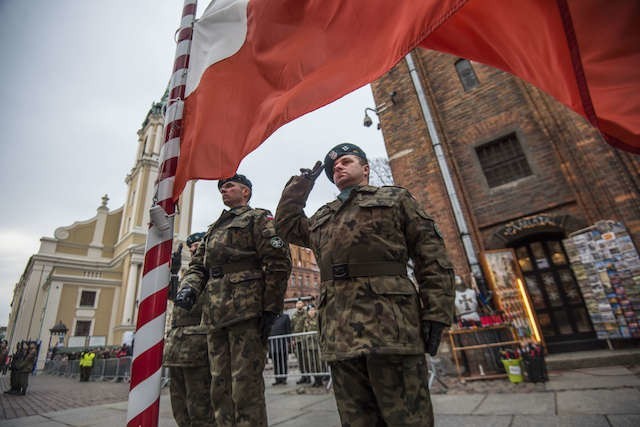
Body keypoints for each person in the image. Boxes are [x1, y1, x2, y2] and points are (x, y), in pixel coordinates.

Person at [275, 143, 455, 427]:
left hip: (390, 326)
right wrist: (302, 185)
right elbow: (285, 226)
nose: (338, 167)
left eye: (346, 161)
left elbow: (431, 254)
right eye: (334, 167)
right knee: (356, 420)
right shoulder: (323, 216)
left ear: (366, 169)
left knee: (408, 417)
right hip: (339, 331)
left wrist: (437, 311)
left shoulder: (395, 199)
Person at [175, 174, 292, 427]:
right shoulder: (213, 229)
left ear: (246, 191)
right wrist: (189, 289)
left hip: (246, 311)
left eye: (229, 186)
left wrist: (270, 307)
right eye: (221, 188)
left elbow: (278, 261)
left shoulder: (258, 218)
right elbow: (197, 267)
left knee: (245, 386)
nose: (223, 191)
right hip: (214, 315)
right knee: (219, 385)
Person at [163, 231, 215, 427]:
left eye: (198, 245)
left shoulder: (211, 272)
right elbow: (171, 297)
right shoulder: (187, 275)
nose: (193, 249)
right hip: (176, 347)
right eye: (191, 247)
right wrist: (172, 272)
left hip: (198, 348)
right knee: (180, 406)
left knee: (201, 408)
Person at [302, 305, 326, 387]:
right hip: (309, 346)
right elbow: (304, 332)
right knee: (311, 363)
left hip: (317, 345)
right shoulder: (306, 321)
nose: (312, 312)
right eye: (310, 310)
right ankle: (316, 379)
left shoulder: (318, 319)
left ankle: (320, 380)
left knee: (319, 363)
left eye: (313, 310)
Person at [268, 312, 291, 385]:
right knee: (275, 363)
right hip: (273, 344)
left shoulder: (285, 317)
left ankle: (283, 378)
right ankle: (277, 379)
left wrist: (289, 341)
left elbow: (288, 330)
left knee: (283, 362)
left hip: (282, 344)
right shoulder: (270, 318)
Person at [291, 299, 310, 384]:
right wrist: (292, 339)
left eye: (300, 303)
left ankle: (308, 376)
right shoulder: (294, 315)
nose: (299, 304)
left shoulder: (306, 314)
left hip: (305, 340)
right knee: (300, 360)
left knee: (306, 359)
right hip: (297, 340)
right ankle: (303, 376)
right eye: (297, 303)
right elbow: (292, 328)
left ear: (303, 304)